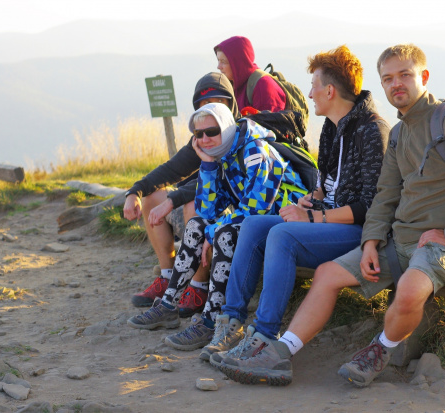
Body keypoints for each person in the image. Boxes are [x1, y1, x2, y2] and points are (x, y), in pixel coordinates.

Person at [219, 44, 445, 387]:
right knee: (326, 274)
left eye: (404, 75)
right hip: (398, 240)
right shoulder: (399, 133)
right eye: (388, 78)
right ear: (381, 84)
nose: (396, 84)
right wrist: (370, 243)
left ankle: (379, 350)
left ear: (423, 77)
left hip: (444, 242)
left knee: (411, 289)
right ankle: (279, 354)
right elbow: (384, 197)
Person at [201, 44, 389, 378]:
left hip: (360, 233)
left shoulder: (371, 130)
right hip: (328, 221)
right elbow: (327, 184)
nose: (310, 93)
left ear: (330, 90)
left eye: (314, 85)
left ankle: (264, 337)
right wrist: (308, 199)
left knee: (282, 234)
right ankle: (230, 323)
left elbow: (370, 207)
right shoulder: (333, 126)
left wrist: (315, 217)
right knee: (256, 225)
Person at [127, 103, 309, 352]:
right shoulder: (223, 156)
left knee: (222, 234)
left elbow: (256, 211)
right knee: (196, 225)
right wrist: (208, 165)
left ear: (226, 128)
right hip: (259, 224)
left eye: (211, 131)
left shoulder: (255, 151)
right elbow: (207, 211)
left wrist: (212, 233)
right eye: (198, 134)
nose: (204, 138)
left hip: (287, 224)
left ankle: (211, 320)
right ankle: (168, 305)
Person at [124, 72, 239, 318]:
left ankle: (198, 287)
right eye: (204, 105)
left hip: (239, 217)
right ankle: (168, 277)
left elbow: (215, 184)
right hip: (215, 213)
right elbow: (172, 169)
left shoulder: (238, 138)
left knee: (193, 206)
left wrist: (173, 200)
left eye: (219, 102)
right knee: (152, 196)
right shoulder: (203, 135)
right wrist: (135, 191)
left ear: (231, 104)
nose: (212, 109)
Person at [215, 36, 286, 113]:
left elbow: (272, 123)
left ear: (238, 63)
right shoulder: (234, 85)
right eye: (218, 60)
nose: (218, 67)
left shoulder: (263, 86)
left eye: (223, 62)